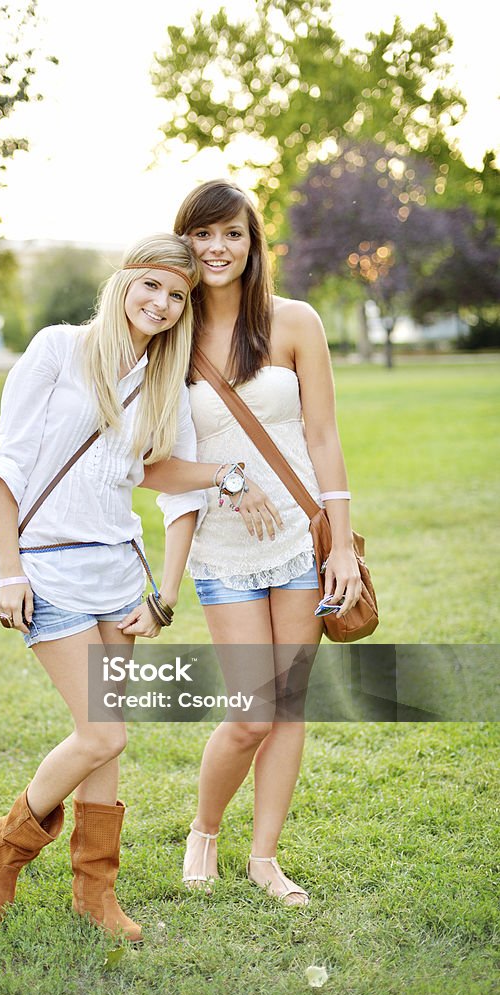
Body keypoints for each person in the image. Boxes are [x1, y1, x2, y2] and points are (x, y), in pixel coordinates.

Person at [0, 232, 276, 941]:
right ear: (123, 283)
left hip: (117, 571)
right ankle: (8, 843)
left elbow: (155, 471)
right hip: (48, 567)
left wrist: (228, 476)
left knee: (107, 742)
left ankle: (95, 893)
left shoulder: (161, 376)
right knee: (102, 731)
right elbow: (6, 464)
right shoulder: (59, 349)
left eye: (178, 296)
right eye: (152, 287)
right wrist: (10, 567)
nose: (163, 304)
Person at [155, 180, 362, 905]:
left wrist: (338, 543)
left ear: (252, 244)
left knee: (290, 704)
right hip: (222, 550)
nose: (217, 248)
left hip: (303, 545)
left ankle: (264, 857)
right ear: (186, 243)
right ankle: (204, 831)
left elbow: (323, 436)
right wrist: (229, 479)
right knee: (251, 712)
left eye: (232, 234)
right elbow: (148, 465)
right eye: (203, 235)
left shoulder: (296, 321)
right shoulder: (167, 336)